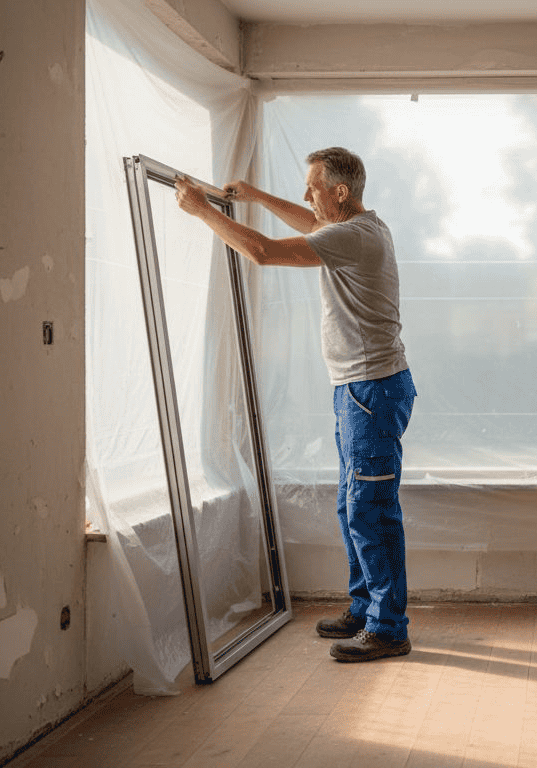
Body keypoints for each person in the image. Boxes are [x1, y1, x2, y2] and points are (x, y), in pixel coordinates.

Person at [175, 147, 416, 663]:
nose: (307, 194)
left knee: (369, 509)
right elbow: (311, 222)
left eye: (313, 185)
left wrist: (202, 210)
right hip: (359, 390)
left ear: (340, 192)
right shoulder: (361, 228)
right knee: (351, 504)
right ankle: (365, 608)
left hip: (370, 391)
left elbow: (262, 252)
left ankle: (389, 626)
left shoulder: (353, 236)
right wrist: (257, 196)